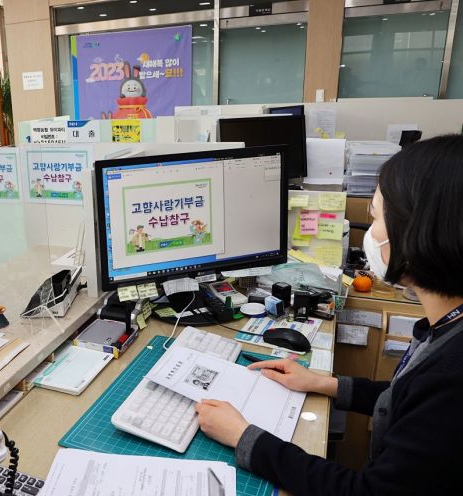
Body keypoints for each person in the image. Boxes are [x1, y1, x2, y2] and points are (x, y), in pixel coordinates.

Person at [195, 135, 463, 495]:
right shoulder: (448, 332)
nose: (370, 233)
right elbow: (412, 400)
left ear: (418, 230)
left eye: (377, 218)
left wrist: (245, 437)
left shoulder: (453, 377)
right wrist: (326, 384)